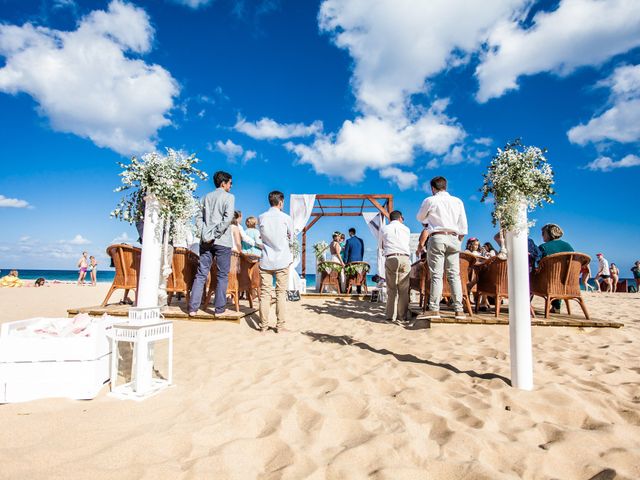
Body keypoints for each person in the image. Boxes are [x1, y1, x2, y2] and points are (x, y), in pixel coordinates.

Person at [416, 176, 468, 319]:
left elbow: (419, 218)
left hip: (437, 236)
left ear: (433, 188)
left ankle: (434, 308)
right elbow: (463, 226)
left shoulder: (430, 200)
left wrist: (428, 220)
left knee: (437, 275)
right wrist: (458, 241)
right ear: (445, 186)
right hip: (453, 237)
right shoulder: (457, 201)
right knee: (454, 275)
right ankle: (459, 309)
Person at [188, 170, 235, 317]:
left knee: (201, 273)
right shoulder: (229, 197)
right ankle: (219, 310)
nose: (231, 186)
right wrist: (214, 235)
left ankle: (193, 309)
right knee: (222, 275)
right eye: (230, 183)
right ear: (223, 183)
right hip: (222, 240)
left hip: (206, 240)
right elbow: (228, 219)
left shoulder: (205, 197)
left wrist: (204, 234)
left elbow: (197, 218)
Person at [258, 191, 294, 333]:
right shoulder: (286, 218)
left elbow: (262, 237)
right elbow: (291, 238)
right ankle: (280, 326)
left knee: (265, 294)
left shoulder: (261, 217)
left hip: (266, 259)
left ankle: (264, 326)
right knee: (280, 293)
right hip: (282, 259)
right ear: (280, 202)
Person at [380, 210, 411, 323]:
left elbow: (381, 245)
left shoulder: (384, 229)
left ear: (390, 219)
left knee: (391, 289)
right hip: (404, 257)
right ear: (400, 218)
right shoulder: (406, 229)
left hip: (391, 257)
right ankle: (401, 316)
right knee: (403, 290)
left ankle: (390, 316)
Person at [344, 227, 365, 293]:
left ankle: (349, 289)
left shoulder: (348, 241)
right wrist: (361, 260)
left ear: (350, 233)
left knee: (349, 275)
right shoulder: (361, 240)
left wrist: (345, 262)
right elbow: (362, 251)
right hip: (359, 261)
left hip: (351, 262)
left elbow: (346, 253)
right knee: (358, 274)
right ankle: (359, 290)